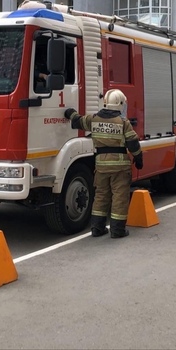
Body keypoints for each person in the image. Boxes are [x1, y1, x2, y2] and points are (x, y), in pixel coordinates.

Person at [64, 89, 143, 239]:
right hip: (120, 167)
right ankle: (117, 230)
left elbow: (77, 121)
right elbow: (133, 143)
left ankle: (97, 228)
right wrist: (139, 158)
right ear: (120, 103)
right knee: (119, 197)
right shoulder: (123, 122)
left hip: (101, 166)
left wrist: (70, 113)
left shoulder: (94, 119)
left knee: (101, 196)